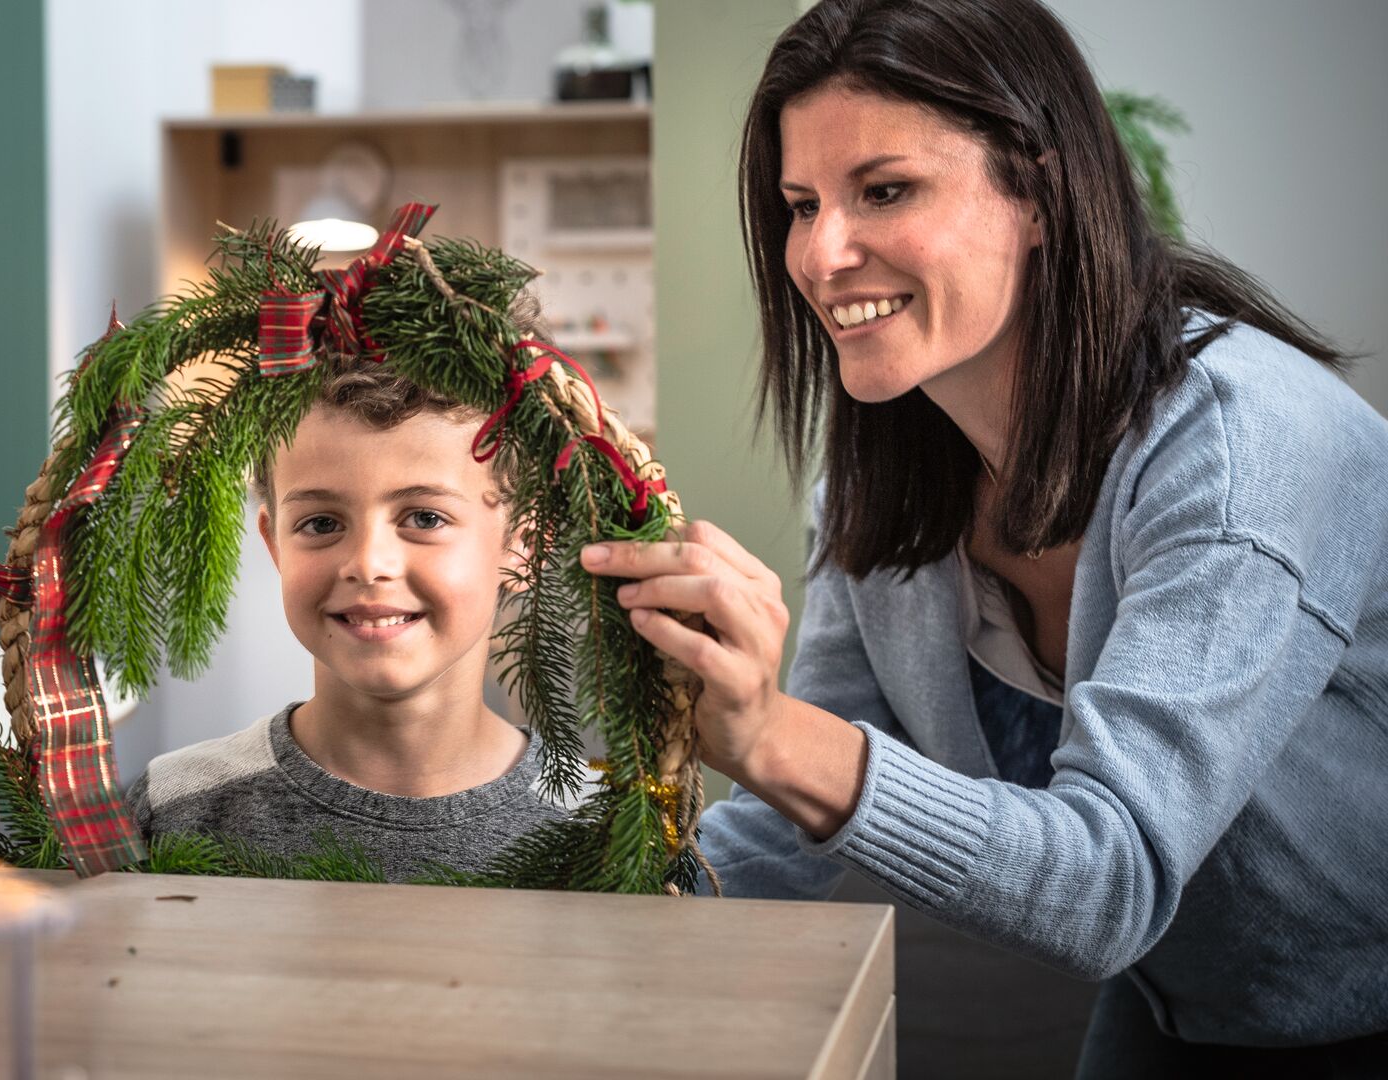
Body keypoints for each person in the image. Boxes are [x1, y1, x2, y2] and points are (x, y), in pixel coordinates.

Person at [580, 0, 1388, 1072]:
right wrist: (577, 924)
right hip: (1180, 1001)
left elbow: (1108, 883)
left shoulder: (1245, 450)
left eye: (885, 190)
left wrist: (769, 733)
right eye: (801, 204)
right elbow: (780, 831)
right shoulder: (880, 485)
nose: (821, 253)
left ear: (1040, 191)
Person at [125, 365, 567, 881]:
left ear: (523, 542)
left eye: (425, 518)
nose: (368, 564)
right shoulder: (174, 806)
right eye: (321, 523)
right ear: (275, 544)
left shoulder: (606, 822)